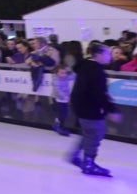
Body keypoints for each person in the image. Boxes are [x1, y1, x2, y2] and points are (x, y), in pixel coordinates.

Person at [68, 42, 122, 177]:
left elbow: (89, 88)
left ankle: (76, 155)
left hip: (80, 105)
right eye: (107, 53)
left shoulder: (86, 65)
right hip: (89, 108)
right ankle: (88, 163)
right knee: (95, 134)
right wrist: (112, 110)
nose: (110, 56)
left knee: (88, 132)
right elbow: (98, 93)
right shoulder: (96, 70)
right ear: (98, 55)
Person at [51, 62, 74, 136]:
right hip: (57, 98)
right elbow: (58, 91)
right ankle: (58, 126)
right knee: (61, 113)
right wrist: (65, 97)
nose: (64, 75)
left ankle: (59, 126)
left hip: (64, 98)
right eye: (61, 73)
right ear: (57, 73)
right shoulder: (56, 80)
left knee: (65, 113)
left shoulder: (66, 76)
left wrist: (69, 70)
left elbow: (74, 76)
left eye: (65, 73)